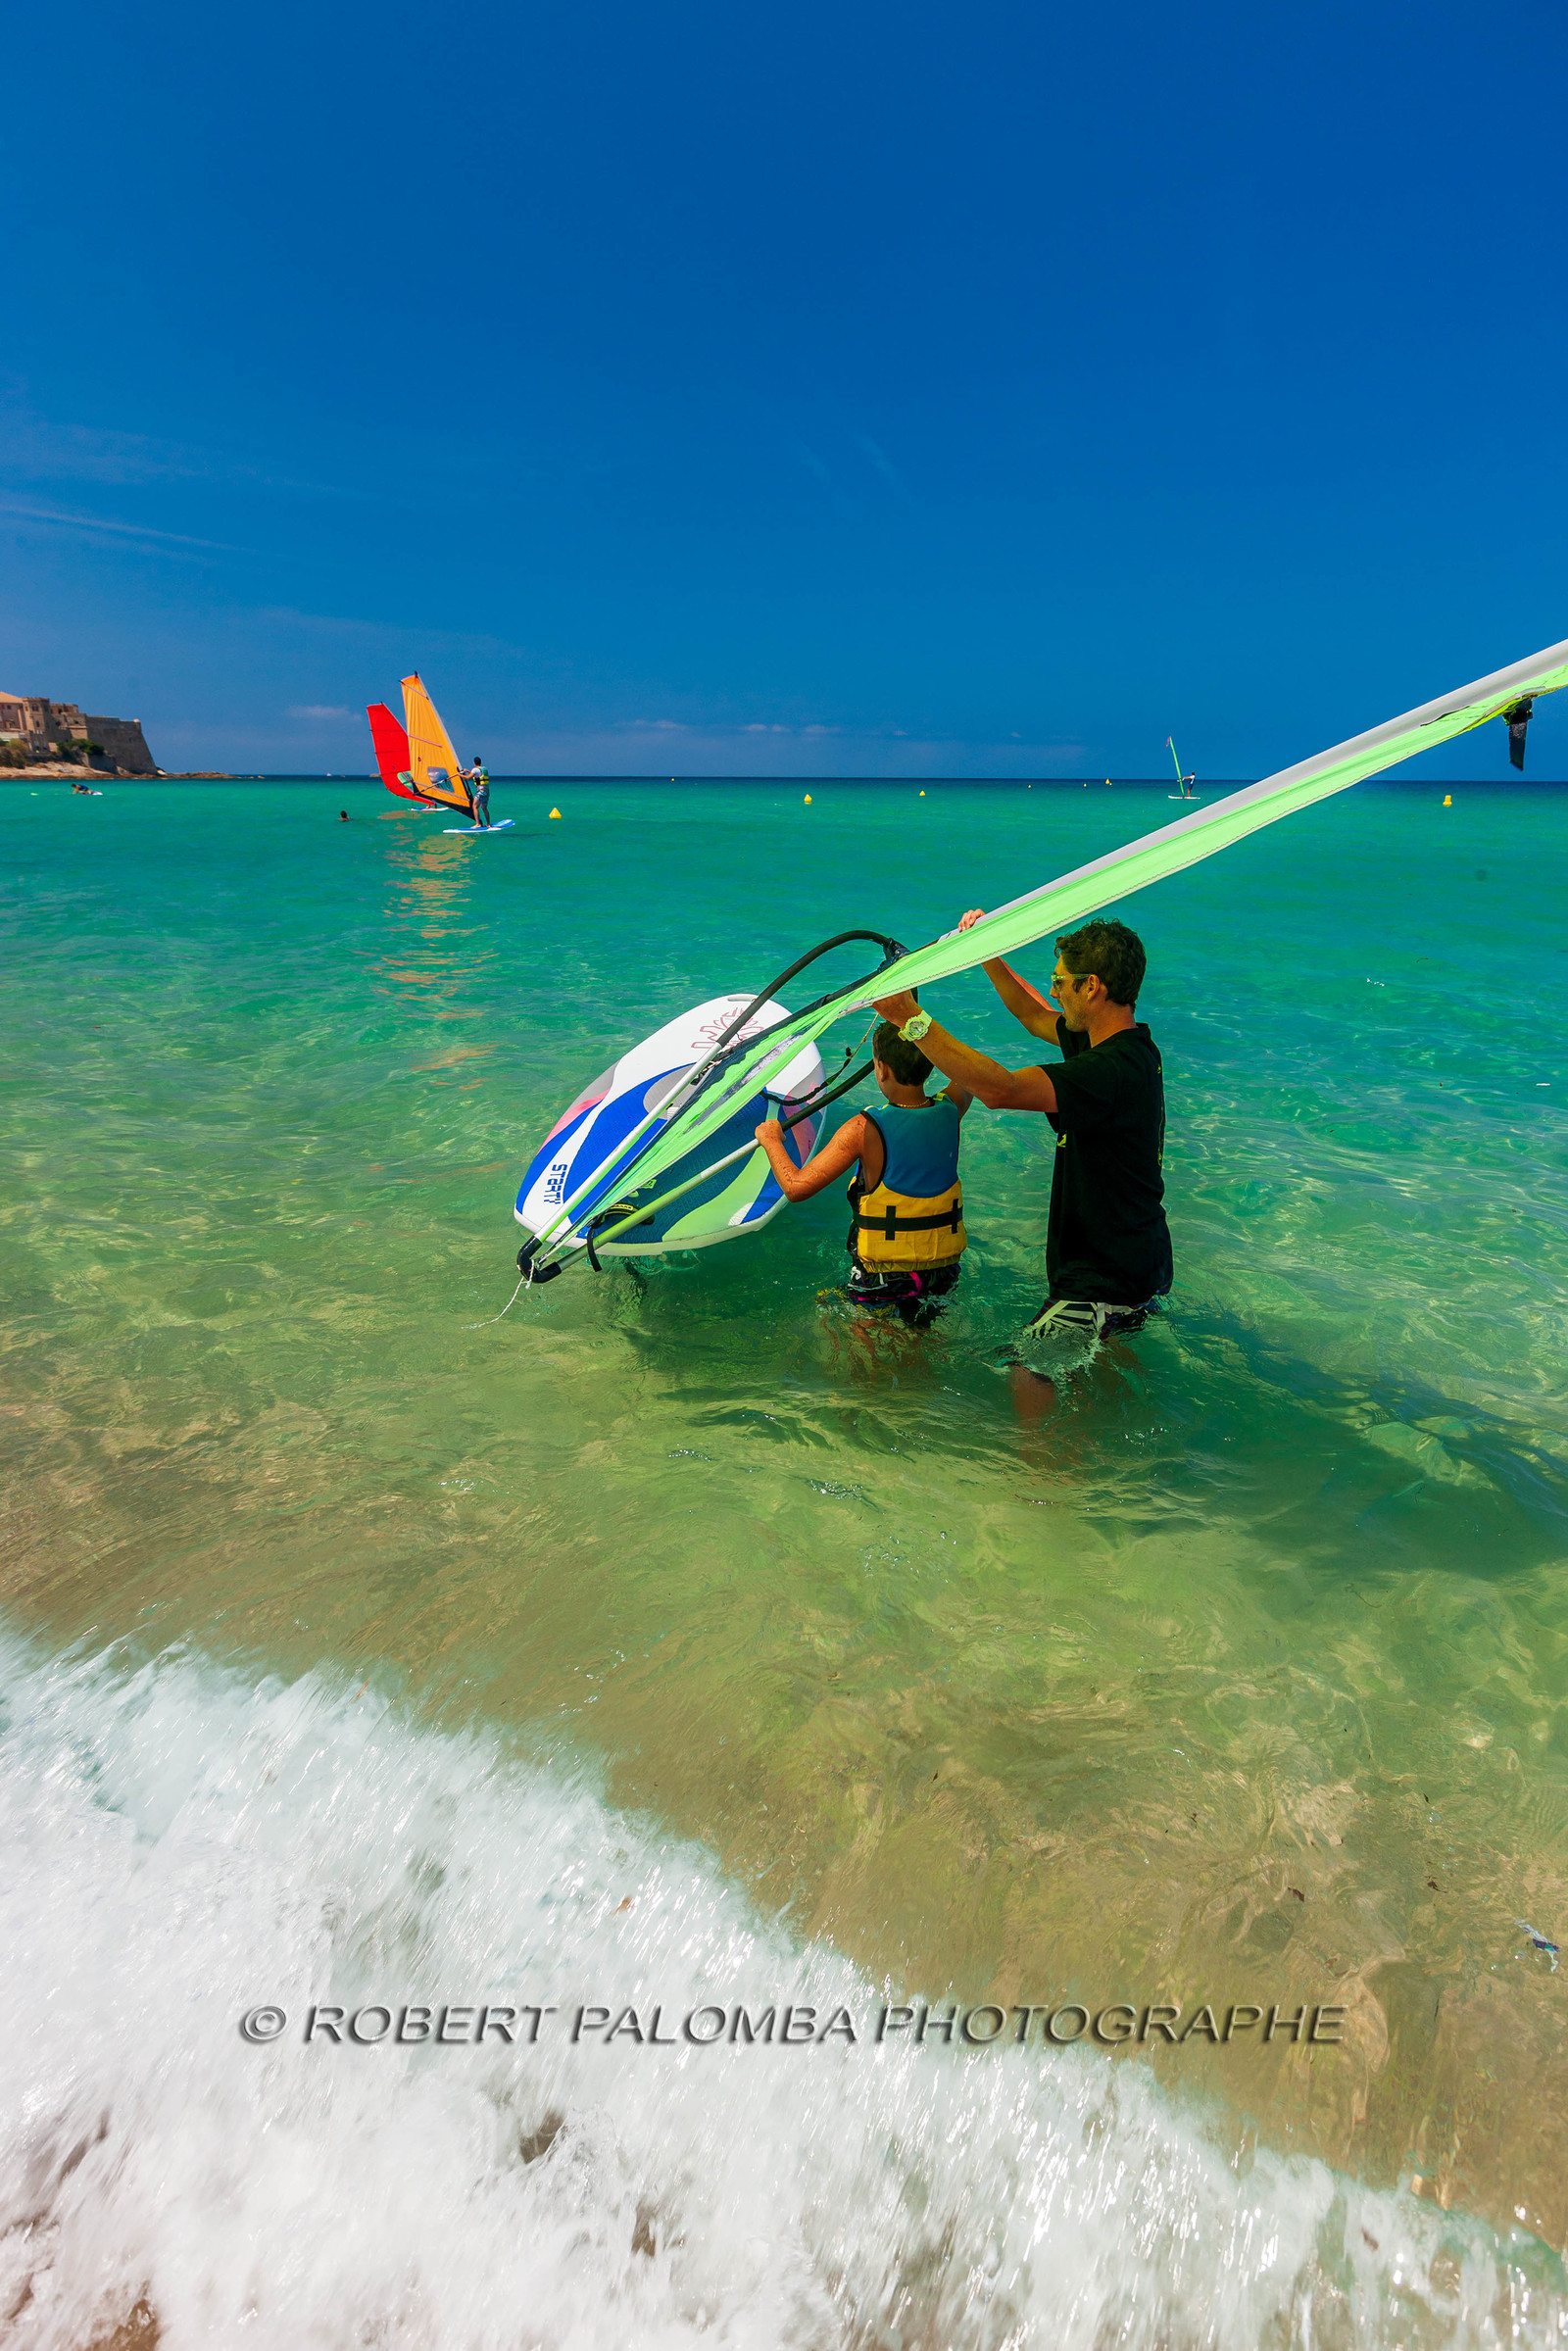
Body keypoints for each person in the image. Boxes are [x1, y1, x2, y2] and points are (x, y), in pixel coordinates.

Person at [872, 916, 1171, 1351]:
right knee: (1099, 1371)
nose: (1053, 990)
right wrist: (985, 951)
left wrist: (911, 1020)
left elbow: (999, 1090)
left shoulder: (1107, 1071)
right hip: (1136, 1259)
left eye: (1060, 981)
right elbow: (1032, 1015)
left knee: (1022, 1371)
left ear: (1091, 987)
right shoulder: (1122, 1044)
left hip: (1105, 1276)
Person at [754, 1019, 973, 1327]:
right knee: (920, 1338)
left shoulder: (864, 1129)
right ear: (932, 1061)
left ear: (881, 1069)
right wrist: (926, 1033)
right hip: (943, 1269)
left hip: (884, 1277)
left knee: (840, 1322)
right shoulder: (952, 1108)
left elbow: (796, 1187)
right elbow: (966, 1072)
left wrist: (771, 1139)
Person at [466, 759, 491, 828]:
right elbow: (476, 775)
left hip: (481, 791)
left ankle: (478, 824)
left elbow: (468, 778)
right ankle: (488, 823)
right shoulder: (484, 769)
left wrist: (459, 775)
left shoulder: (475, 769)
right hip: (486, 791)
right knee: (484, 807)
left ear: (474, 763)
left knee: (475, 806)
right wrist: (467, 771)